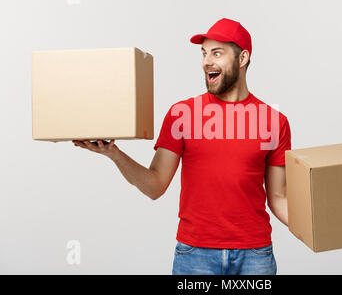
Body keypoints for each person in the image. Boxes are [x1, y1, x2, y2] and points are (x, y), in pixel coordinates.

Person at [73, 18, 291, 275]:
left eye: (217, 53)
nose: (206, 61)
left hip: (255, 256)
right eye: (204, 53)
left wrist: (314, 232)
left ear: (242, 59)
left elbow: (278, 198)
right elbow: (155, 186)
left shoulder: (274, 121)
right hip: (195, 255)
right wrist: (114, 154)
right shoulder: (182, 114)